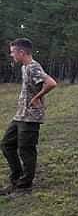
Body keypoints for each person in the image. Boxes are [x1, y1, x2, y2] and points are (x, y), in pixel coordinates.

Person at [2, 38, 56, 195]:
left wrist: (37, 98)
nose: (11, 55)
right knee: (6, 144)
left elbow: (51, 83)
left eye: (12, 52)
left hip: (31, 116)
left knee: (26, 150)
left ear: (21, 52)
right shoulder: (24, 67)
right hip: (20, 115)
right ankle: (17, 178)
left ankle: (25, 185)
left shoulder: (33, 67)